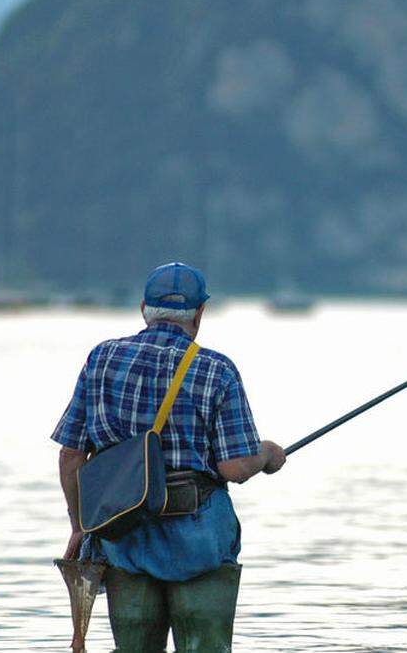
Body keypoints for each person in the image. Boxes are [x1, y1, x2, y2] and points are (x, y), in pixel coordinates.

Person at [52, 262, 286, 652]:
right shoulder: (217, 371)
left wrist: (80, 525)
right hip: (200, 545)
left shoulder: (102, 360)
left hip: (122, 539)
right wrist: (266, 454)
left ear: (144, 308)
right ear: (199, 314)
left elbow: (71, 455)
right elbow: (234, 467)